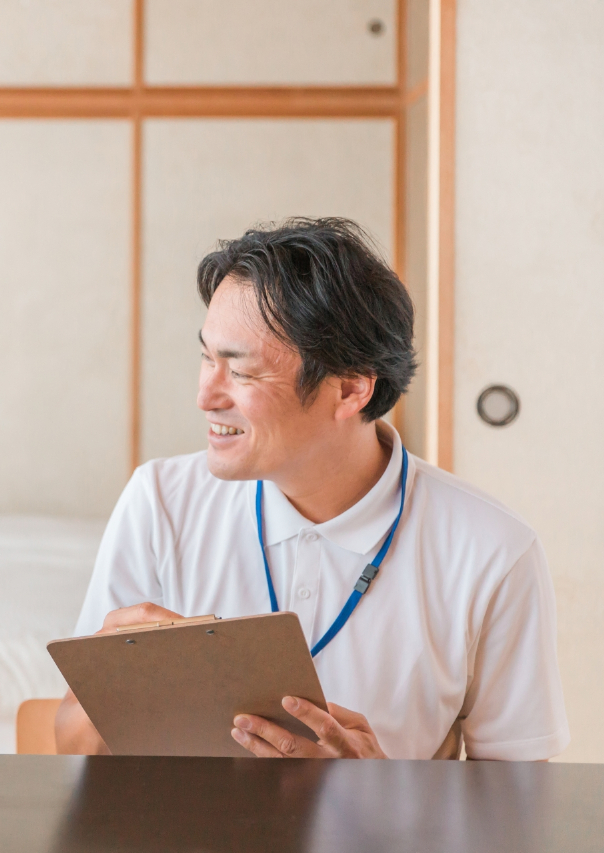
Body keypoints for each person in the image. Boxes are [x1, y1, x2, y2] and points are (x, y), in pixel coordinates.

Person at [55, 219, 569, 760]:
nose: (205, 396)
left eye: (242, 372)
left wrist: (377, 795)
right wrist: (114, 681)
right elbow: (69, 744)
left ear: (350, 389)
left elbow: (520, 804)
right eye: (207, 358)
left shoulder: (493, 550)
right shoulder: (160, 501)